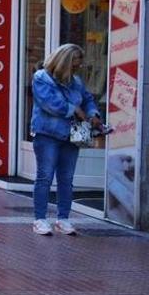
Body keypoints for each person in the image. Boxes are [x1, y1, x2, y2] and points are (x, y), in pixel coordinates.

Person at [30, 44, 102, 237]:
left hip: (71, 136)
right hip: (47, 135)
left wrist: (93, 113)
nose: (78, 68)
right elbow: (50, 103)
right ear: (65, 62)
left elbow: (87, 99)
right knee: (45, 176)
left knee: (67, 179)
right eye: (75, 64)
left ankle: (63, 219)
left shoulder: (76, 81)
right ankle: (40, 219)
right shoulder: (41, 78)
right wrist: (75, 110)